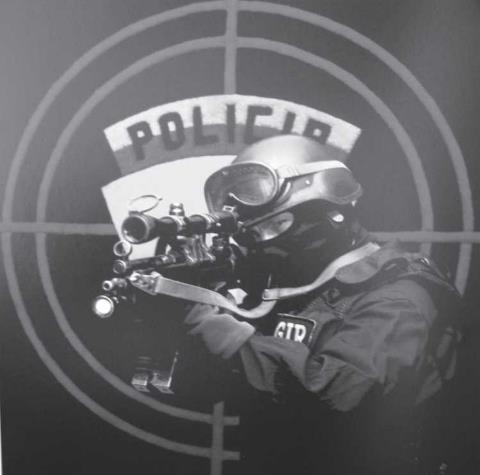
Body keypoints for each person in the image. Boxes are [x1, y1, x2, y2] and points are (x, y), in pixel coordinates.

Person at [183, 134, 464, 474]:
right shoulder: (291, 286)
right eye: (254, 235)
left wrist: (212, 328)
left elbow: (337, 393)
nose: (263, 245)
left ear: (333, 212)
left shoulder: (402, 295)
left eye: (278, 225)